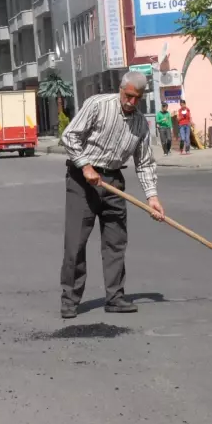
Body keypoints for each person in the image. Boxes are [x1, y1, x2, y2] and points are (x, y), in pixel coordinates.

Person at [60, 71, 166, 319]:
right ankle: (70, 300)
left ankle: (115, 297)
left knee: (116, 242)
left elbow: (145, 163)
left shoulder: (140, 123)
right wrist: (85, 166)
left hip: (114, 182)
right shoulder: (98, 105)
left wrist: (152, 197)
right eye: (128, 96)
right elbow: (70, 136)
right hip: (82, 181)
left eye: (136, 98)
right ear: (121, 89)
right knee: (75, 243)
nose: (131, 102)